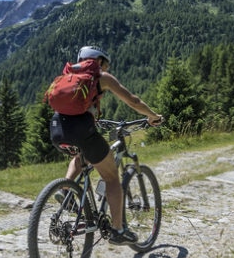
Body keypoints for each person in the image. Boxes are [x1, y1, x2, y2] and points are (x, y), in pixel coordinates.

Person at [49, 46, 163, 245]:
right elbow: (133, 101)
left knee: (81, 156)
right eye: (105, 64)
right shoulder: (101, 78)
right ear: (98, 61)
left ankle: (65, 188)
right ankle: (118, 230)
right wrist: (152, 116)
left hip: (57, 128)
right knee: (111, 178)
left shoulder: (67, 77)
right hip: (82, 130)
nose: (105, 68)